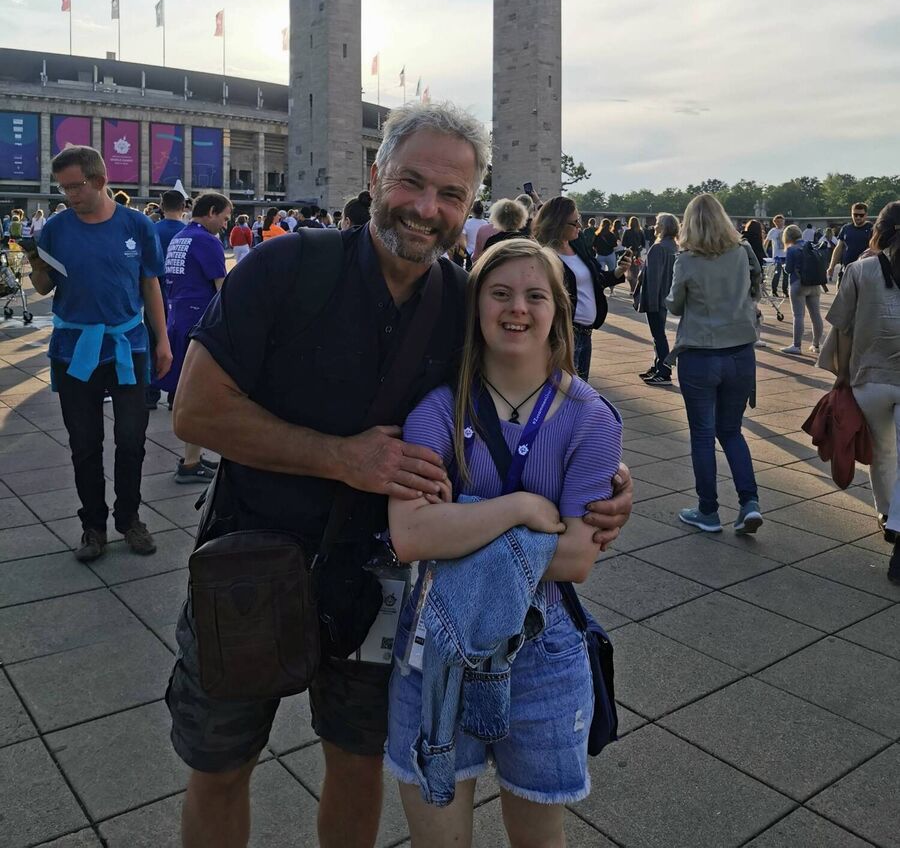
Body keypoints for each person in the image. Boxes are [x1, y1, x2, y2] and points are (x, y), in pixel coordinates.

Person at [165, 103, 633, 848]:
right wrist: (340, 456)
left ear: (470, 204)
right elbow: (195, 412)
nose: (426, 208)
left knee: (357, 766)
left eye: (450, 195)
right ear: (376, 174)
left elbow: (523, 394)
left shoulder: (460, 302)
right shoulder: (283, 268)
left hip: (379, 581)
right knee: (221, 766)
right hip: (254, 563)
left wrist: (602, 474)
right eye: (412, 182)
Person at [385, 238, 622, 846]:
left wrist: (458, 523)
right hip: (438, 641)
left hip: (543, 648)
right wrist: (522, 509)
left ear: (558, 312)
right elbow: (409, 535)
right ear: (476, 308)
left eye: (535, 295)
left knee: (539, 837)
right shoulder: (437, 409)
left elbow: (575, 559)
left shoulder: (591, 418)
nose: (517, 307)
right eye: (499, 293)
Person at [22, 146, 172, 561]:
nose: (69, 195)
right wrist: (35, 261)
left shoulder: (137, 225)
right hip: (75, 349)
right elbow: (44, 287)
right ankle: (93, 526)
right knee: (85, 443)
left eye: (75, 186)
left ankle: (130, 519)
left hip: (128, 345)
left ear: (100, 180)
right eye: (63, 188)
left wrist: (162, 340)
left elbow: (150, 284)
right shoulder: (56, 228)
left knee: (132, 439)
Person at [666, 193, 763, 535]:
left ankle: (708, 510)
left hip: (700, 352)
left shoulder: (686, 260)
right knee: (732, 431)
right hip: (740, 351)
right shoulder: (743, 252)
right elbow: (755, 288)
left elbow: (675, 305)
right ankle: (749, 501)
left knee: (703, 435)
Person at [827, 201, 900, 583]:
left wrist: (842, 373)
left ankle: (888, 514)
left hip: (869, 376)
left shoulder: (859, 270)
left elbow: (842, 327)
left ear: (879, 230)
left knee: (882, 452)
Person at [163, 192, 232, 483]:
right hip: (200, 321)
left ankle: (192, 456)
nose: (225, 225)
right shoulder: (207, 241)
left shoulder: (180, 236)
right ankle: (191, 463)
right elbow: (223, 289)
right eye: (225, 218)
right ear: (212, 211)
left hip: (177, 317)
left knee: (187, 390)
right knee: (198, 393)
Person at [533, 196, 629, 381]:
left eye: (579, 220)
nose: (579, 225)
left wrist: (618, 271)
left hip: (586, 333)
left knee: (580, 388)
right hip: (564, 335)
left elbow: (596, 278)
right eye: (575, 222)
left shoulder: (577, 245)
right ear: (558, 223)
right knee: (564, 390)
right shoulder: (543, 254)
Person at [144, 190, 188, 411]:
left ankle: (150, 393)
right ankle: (174, 394)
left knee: (152, 342)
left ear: (161, 206)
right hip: (180, 298)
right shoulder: (188, 233)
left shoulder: (152, 230)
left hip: (154, 294)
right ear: (184, 207)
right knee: (177, 345)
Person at [636, 213, 679, 385]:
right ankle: (658, 366)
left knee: (658, 335)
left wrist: (650, 302)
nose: (655, 226)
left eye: (657, 223)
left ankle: (664, 371)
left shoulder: (658, 248)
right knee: (658, 334)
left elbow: (653, 278)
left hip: (655, 298)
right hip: (666, 296)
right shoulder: (673, 247)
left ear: (663, 227)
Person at [782, 223, 824, 356]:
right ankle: (816, 344)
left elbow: (789, 269)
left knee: (798, 316)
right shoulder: (811, 245)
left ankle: (796, 345)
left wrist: (784, 267)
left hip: (798, 284)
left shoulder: (792, 249)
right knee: (816, 315)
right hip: (815, 284)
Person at [829, 202, 874, 281]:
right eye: (855, 215)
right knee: (840, 289)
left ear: (866, 215)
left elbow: (876, 248)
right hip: (846, 269)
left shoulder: (872, 229)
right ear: (851, 214)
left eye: (861, 215)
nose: (858, 217)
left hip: (865, 271)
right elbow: (838, 248)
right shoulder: (846, 228)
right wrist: (831, 266)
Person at [764, 214, 788, 298]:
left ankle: (785, 291)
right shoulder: (773, 231)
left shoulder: (787, 230)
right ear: (774, 222)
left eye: (781, 221)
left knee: (786, 274)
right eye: (778, 221)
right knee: (777, 274)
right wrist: (764, 251)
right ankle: (774, 290)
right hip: (777, 256)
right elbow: (767, 241)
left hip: (786, 255)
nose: (780, 223)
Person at [621, 216, 646, 294]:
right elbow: (643, 244)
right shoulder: (640, 232)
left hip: (628, 253)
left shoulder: (627, 232)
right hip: (637, 254)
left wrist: (629, 246)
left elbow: (623, 243)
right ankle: (634, 290)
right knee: (635, 272)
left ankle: (632, 289)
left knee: (629, 272)